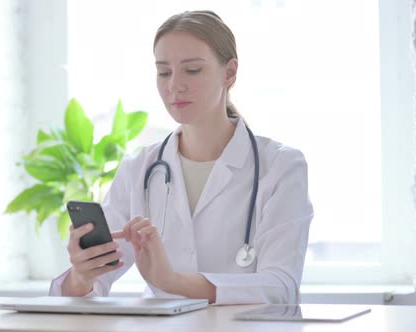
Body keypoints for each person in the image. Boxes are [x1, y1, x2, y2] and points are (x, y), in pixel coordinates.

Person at [49, 10, 313, 305]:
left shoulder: (280, 166)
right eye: (164, 72)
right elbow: (82, 292)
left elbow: (280, 287)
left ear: (229, 72)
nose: (174, 85)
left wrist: (172, 282)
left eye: (192, 70)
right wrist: (82, 274)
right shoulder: (139, 170)